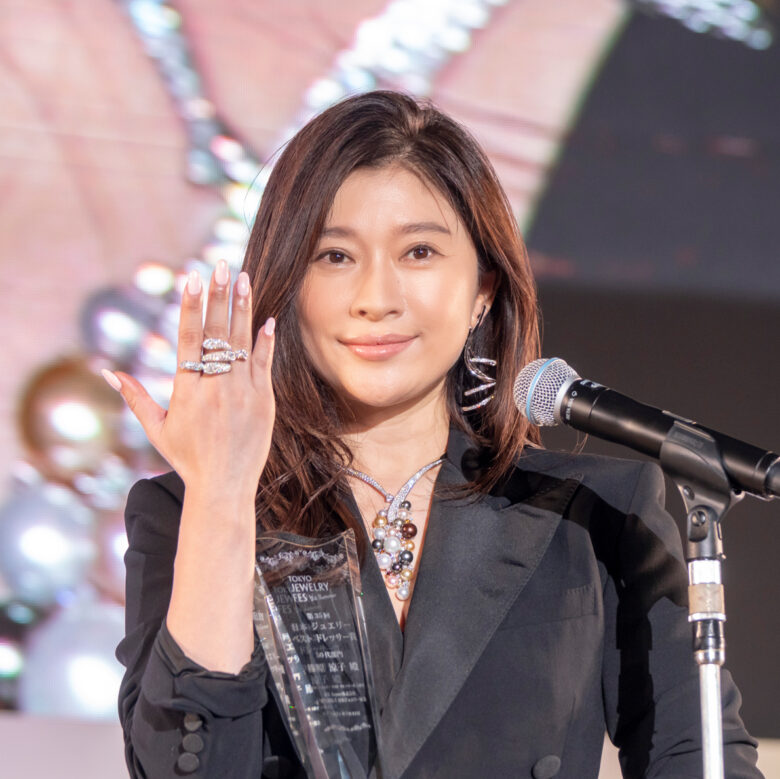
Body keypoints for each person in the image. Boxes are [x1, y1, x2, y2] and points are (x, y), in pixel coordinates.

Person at [109, 91, 761, 778]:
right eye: (335, 255)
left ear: (483, 289)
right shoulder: (189, 513)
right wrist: (221, 496)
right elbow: (187, 767)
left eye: (418, 252)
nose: (376, 298)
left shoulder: (594, 515)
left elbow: (699, 757)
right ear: (290, 285)